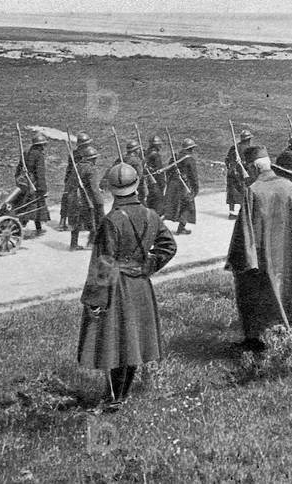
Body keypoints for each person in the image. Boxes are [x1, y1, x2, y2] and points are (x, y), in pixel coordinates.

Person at [77, 162, 177, 408]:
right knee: (132, 342)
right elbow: (169, 247)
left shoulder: (111, 220)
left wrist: (96, 301)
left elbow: (103, 262)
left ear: (111, 190)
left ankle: (113, 399)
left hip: (116, 288)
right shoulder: (151, 215)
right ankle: (121, 396)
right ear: (137, 185)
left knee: (113, 342)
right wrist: (146, 267)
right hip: (140, 286)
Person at [226, 146, 292, 350]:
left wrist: (239, 260)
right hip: (290, 251)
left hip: (263, 255)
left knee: (250, 289)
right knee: (290, 287)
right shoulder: (289, 186)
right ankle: (291, 331)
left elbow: (244, 230)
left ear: (254, 168)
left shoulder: (253, 190)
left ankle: (255, 339)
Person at [68, 145, 105, 251]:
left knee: (77, 222)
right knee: (95, 220)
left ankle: (73, 245)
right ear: (92, 159)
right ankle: (91, 243)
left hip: (75, 198)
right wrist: (100, 202)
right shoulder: (91, 169)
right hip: (87, 200)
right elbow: (94, 189)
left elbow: (70, 184)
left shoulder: (77, 166)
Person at [15, 131, 51, 236]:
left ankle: (28, 226)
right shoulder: (39, 155)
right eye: (43, 145)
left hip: (24, 182)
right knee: (36, 205)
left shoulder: (26, 152)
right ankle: (28, 228)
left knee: (24, 204)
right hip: (33, 184)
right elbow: (40, 174)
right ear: (40, 145)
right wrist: (43, 189)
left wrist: (18, 179)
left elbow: (19, 168)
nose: (44, 147)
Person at [163, 138, 198, 235]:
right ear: (190, 149)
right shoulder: (190, 159)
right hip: (184, 186)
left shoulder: (175, 157)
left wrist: (169, 183)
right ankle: (180, 228)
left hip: (173, 185)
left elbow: (168, 172)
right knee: (188, 207)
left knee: (172, 206)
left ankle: (176, 227)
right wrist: (195, 189)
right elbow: (193, 176)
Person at [60, 131, 93, 230]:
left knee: (68, 199)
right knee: (78, 201)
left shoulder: (73, 153)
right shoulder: (79, 154)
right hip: (77, 178)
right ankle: (67, 223)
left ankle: (66, 222)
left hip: (71, 177)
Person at [226, 129, 254, 219]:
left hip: (232, 173)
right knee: (244, 192)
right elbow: (250, 163)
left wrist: (230, 168)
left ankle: (231, 212)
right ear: (248, 139)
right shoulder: (249, 149)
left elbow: (227, 160)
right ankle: (244, 214)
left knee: (231, 192)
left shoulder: (234, 147)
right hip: (242, 174)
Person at [119, 140, 149, 205]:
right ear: (135, 150)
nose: (139, 151)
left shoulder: (121, 159)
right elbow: (140, 176)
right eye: (138, 149)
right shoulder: (136, 161)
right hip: (136, 188)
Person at [144, 136, 167, 215]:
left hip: (149, 182)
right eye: (159, 144)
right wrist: (162, 184)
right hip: (155, 182)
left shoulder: (147, 153)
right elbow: (158, 171)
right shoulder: (155, 155)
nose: (160, 146)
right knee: (158, 204)